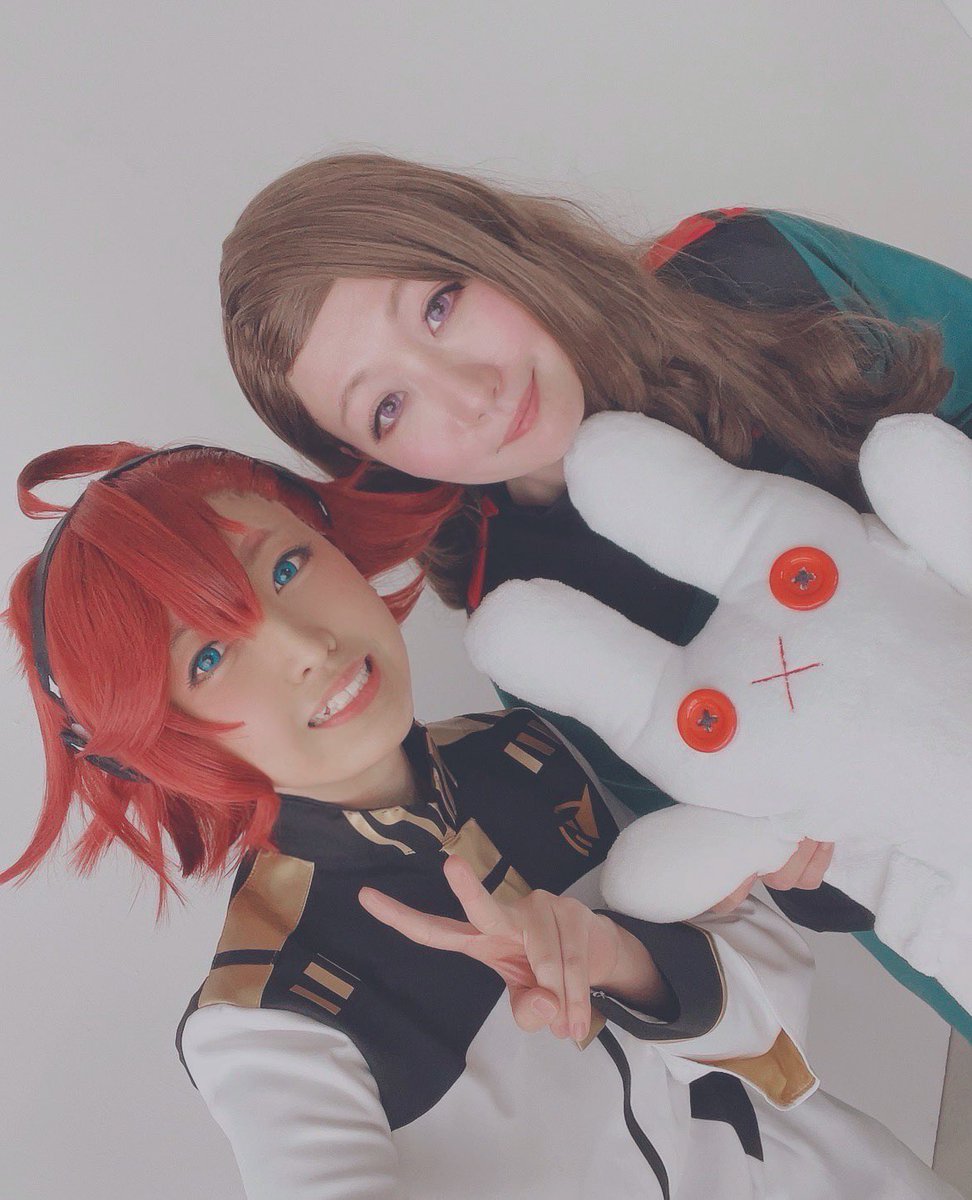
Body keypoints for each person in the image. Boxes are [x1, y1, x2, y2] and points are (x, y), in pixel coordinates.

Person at [4, 441, 959, 1199]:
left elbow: (777, 1033)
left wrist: (620, 961)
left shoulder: (523, 746)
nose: (304, 644)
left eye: (288, 564)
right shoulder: (270, 1015)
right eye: (209, 657)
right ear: (159, 740)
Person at [217, 152, 972, 1036]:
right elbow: (721, 841)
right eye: (389, 406)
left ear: (488, 241)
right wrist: (800, 869)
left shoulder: (749, 265)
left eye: (439, 306)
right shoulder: (530, 615)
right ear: (377, 464)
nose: (473, 395)